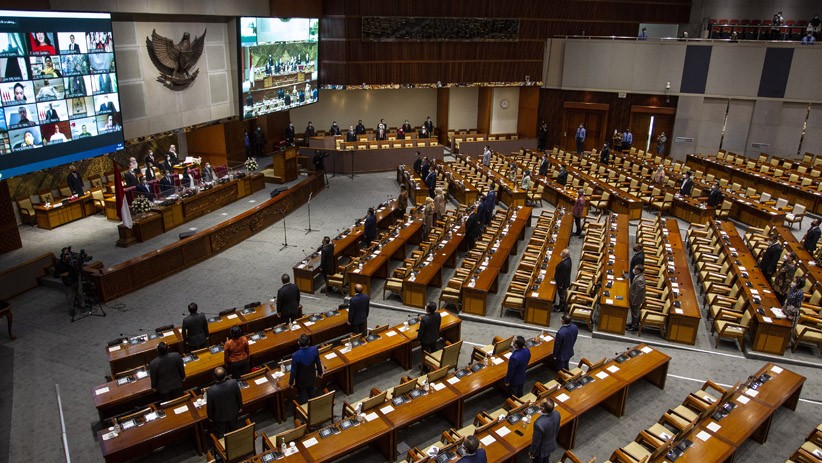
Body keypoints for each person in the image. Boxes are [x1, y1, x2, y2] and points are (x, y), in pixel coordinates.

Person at [206, 366, 243, 436]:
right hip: (233, 411)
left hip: (219, 416)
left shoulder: (211, 390)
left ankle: (224, 445)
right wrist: (240, 406)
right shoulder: (233, 383)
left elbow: (210, 406)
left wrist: (210, 417)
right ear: (225, 374)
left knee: (222, 433)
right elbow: (238, 396)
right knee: (234, 430)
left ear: (214, 377)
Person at [290, 334, 323, 404]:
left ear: (298, 343)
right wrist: (320, 372)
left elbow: (293, 371)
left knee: (303, 396)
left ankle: (305, 411)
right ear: (309, 341)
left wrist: (291, 382)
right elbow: (318, 363)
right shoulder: (314, 349)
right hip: (312, 377)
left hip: (301, 381)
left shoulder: (295, 355)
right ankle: (314, 409)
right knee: (312, 393)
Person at [529, 399, 561, 463]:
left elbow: (536, 441)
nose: (538, 405)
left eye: (540, 405)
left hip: (541, 450)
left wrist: (532, 452)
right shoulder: (557, 413)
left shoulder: (539, 424)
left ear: (543, 409)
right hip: (551, 443)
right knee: (546, 459)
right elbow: (557, 429)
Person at [417, 302, 441, 371]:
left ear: (427, 309)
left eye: (426, 306)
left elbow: (421, 331)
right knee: (434, 349)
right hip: (435, 336)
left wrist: (419, 340)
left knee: (425, 353)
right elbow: (438, 325)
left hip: (426, 340)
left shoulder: (424, 319)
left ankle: (425, 367)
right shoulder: (438, 314)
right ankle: (436, 363)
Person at [784, 275, 805, 346]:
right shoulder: (793, 288)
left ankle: (787, 343)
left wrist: (791, 314)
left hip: (793, 312)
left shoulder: (800, 294)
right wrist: (784, 307)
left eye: (795, 281)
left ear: (798, 283)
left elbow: (797, 306)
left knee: (790, 329)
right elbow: (788, 297)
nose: (794, 282)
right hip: (787, 307)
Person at [627, 265, 646, 331]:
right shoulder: (638, 276)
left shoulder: (640, 280)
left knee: (635, 313)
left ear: (639, 271)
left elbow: (638, 293)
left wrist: (634, 301)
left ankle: (634, 327)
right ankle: (633, 323)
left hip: (636, 299)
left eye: (635, 269)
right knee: (633, 312)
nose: (634, 270)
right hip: (634, 297)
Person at [554, 249, 572, 313]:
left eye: (562, 253)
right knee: (562, 294)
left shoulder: (565, 264)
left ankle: (561, 308)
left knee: (562, 295)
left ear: (565, 255)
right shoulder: (568, 259)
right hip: (563, 281)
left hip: (563, 283)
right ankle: (560, 305)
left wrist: (560, 285)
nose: (561, 253)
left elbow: (562, 276)